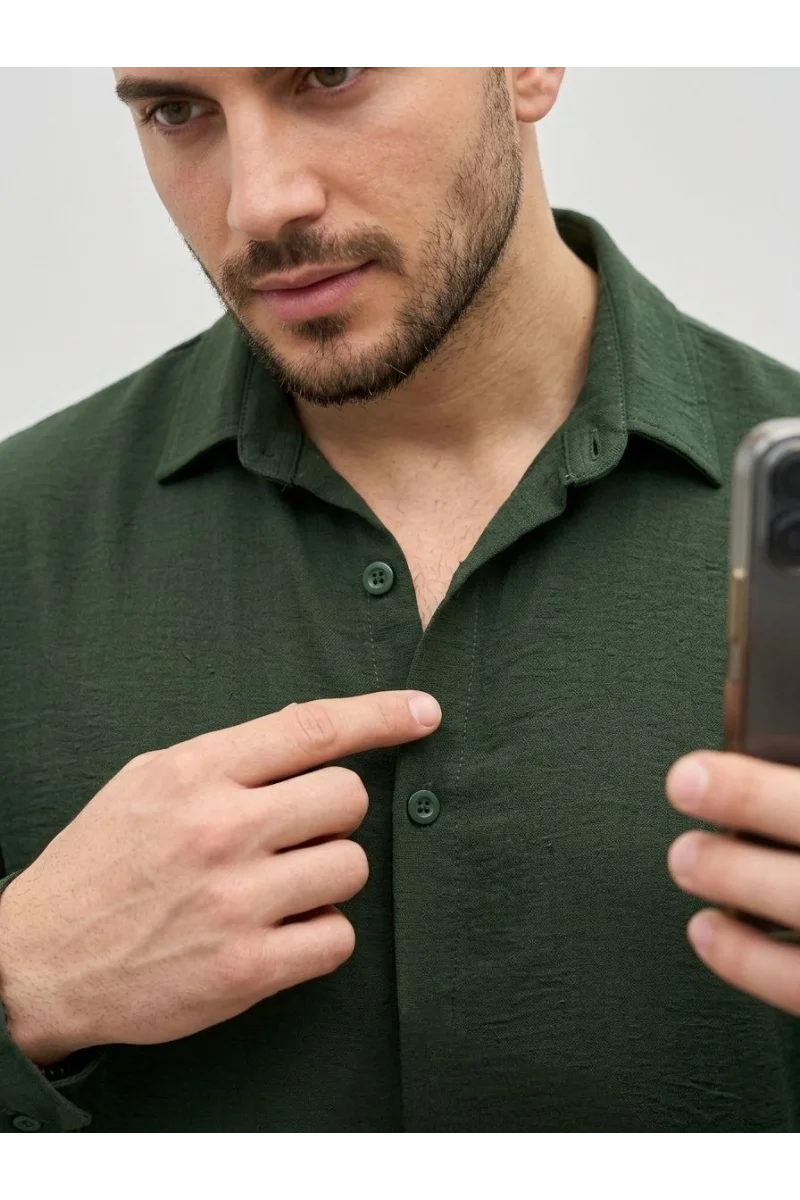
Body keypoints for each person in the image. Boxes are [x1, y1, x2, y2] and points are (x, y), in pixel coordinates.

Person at [0, 65, 799, 1137]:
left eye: (328, 73)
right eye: (177, 112)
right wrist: (22, 978)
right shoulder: (20, 539)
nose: (259, 203)